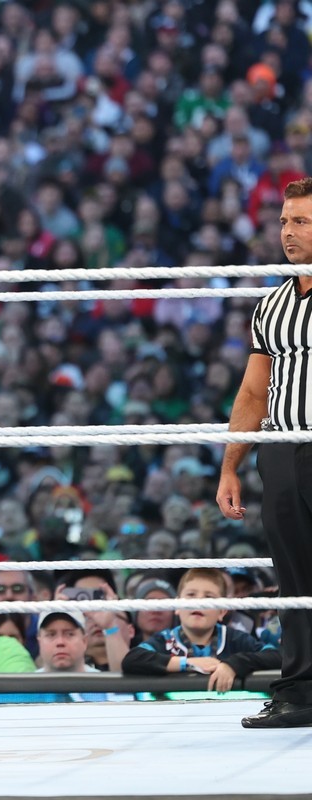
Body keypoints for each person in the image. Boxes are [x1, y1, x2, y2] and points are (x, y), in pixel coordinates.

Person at [218, 175, 312, 728]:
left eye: (301, 221)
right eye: (283, 221)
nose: (288, 231)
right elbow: (254, 391)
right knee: (295, 577)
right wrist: (230, 465)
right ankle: (300, 694)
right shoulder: (271, 305)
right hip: (280, 452)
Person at [122, 568, 280, 690]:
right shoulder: (165, 640)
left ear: (222, 611)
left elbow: (277, 656)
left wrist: (234, 664)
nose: (198, 602)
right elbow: (132, 660)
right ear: (176, 606)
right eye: (191, 595)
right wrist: (189, 663)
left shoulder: (236, 639)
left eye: (208, 597)